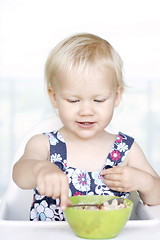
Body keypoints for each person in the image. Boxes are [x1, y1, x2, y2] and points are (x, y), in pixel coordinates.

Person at [12, 33, 160, 221]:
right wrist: (40, 170)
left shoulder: (126, 150)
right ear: (54, 96)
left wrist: (144, 182)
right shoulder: (44, 144)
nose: (86, 111)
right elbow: (19, 175)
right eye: (73, 100)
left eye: (98, 100)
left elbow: (157, 196)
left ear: (117, 96)